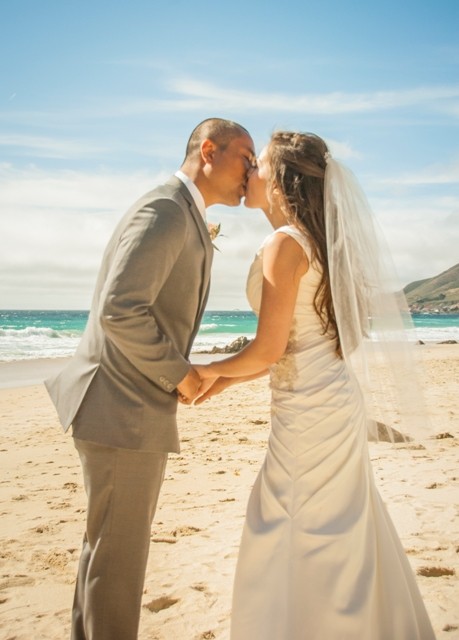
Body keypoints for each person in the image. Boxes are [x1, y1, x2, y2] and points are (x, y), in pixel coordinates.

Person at [190, 132, 435, 639]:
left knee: (288, 525)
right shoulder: (313, 241)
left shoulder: (285, 244)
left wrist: (205, 369)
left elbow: (271, 349)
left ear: (279, 182)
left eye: (258, 165)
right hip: (326, 400)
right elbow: (293, 347)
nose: (249, 170)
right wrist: (223, 384)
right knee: (339, 528)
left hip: (310, 414)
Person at [44, 117, 256, 640]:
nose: (252, 171)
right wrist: (181, 376)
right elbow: (121, 310)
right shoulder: (165, 209)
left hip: (126, 407)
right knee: (117, 565)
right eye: (245, 158)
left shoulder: (181, 210)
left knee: (107, 560)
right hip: (121, 409)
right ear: (208, 150)